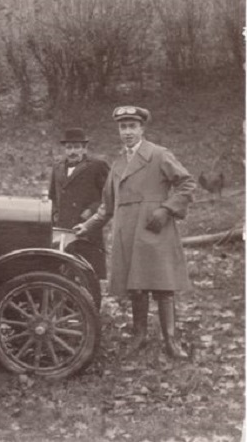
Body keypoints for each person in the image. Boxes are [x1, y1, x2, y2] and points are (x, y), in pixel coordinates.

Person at [73, 106, 196, 359]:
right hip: (126, 233)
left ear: (142, 128)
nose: (127, 132)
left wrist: (166, 209)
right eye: (123, 127)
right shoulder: (117, 164)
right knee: (136, 287)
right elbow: (107, 206)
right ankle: (139, 336)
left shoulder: (159, 155)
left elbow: (187, 183)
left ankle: (171, 341)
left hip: (154, 228)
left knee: (163, 286)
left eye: (132, 126)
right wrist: (86, 227)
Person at [48, 127, 111, 279]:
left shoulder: (97, 166)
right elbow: (53, 196)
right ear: (64, 149)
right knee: (62, 273)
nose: (72, 152)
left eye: (77, 147)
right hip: (63, 229)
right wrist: (55, 213)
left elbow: (108, 196)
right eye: (69, 147)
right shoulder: (57, 167)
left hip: (87, 227)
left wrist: (89, 212)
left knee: (88, 272)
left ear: (84, 148)